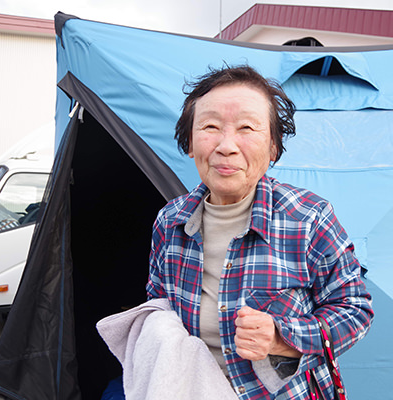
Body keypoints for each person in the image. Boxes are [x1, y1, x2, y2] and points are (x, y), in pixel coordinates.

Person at [146, 65, 373, 400]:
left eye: (247, 128)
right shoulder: (170, 221)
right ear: (190, 143)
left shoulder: (308, 217)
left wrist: (282, 339)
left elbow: (355, 309)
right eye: (210, 126)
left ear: (272, 149)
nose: (226, 146)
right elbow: (158, 303)